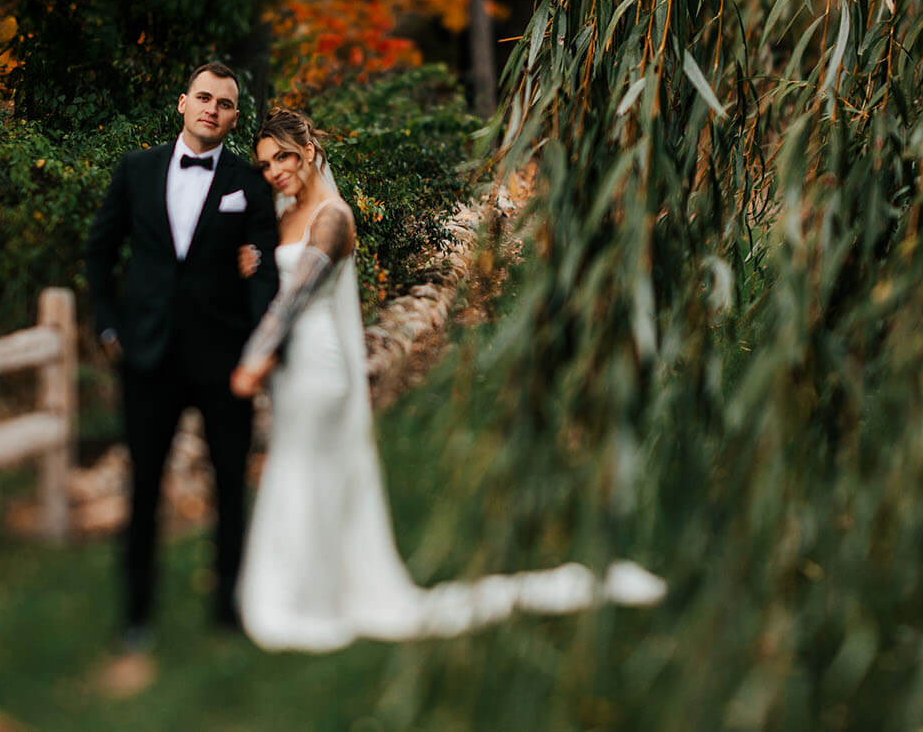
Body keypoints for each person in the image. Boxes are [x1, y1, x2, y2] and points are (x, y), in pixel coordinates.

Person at [227, 108, 665, 652]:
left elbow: (295, 300)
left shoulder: (331, 218)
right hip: (291, 372)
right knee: (297, 469)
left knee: (305, 473)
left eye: (283, 158)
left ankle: (304, 602)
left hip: (317, 366)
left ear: (310, 152)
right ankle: (294, 592)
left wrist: (254, 358)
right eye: (265, 163)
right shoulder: (284, 211)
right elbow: (271, 279)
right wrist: (249, 265)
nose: (274, 171)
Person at [85, 62, 280, 651]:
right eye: (203, 98)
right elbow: (99, 253)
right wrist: (111, 330)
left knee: (228, 486)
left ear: (234, 117)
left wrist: (255, 345)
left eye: (224, 104)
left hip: (223, 363)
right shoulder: (136, 170)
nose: (211, 109)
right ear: (182, 103)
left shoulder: (249, 183)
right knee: (143, 487)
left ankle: (227, 609)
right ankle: (136, 616)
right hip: (147, 360)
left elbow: (264, 270)